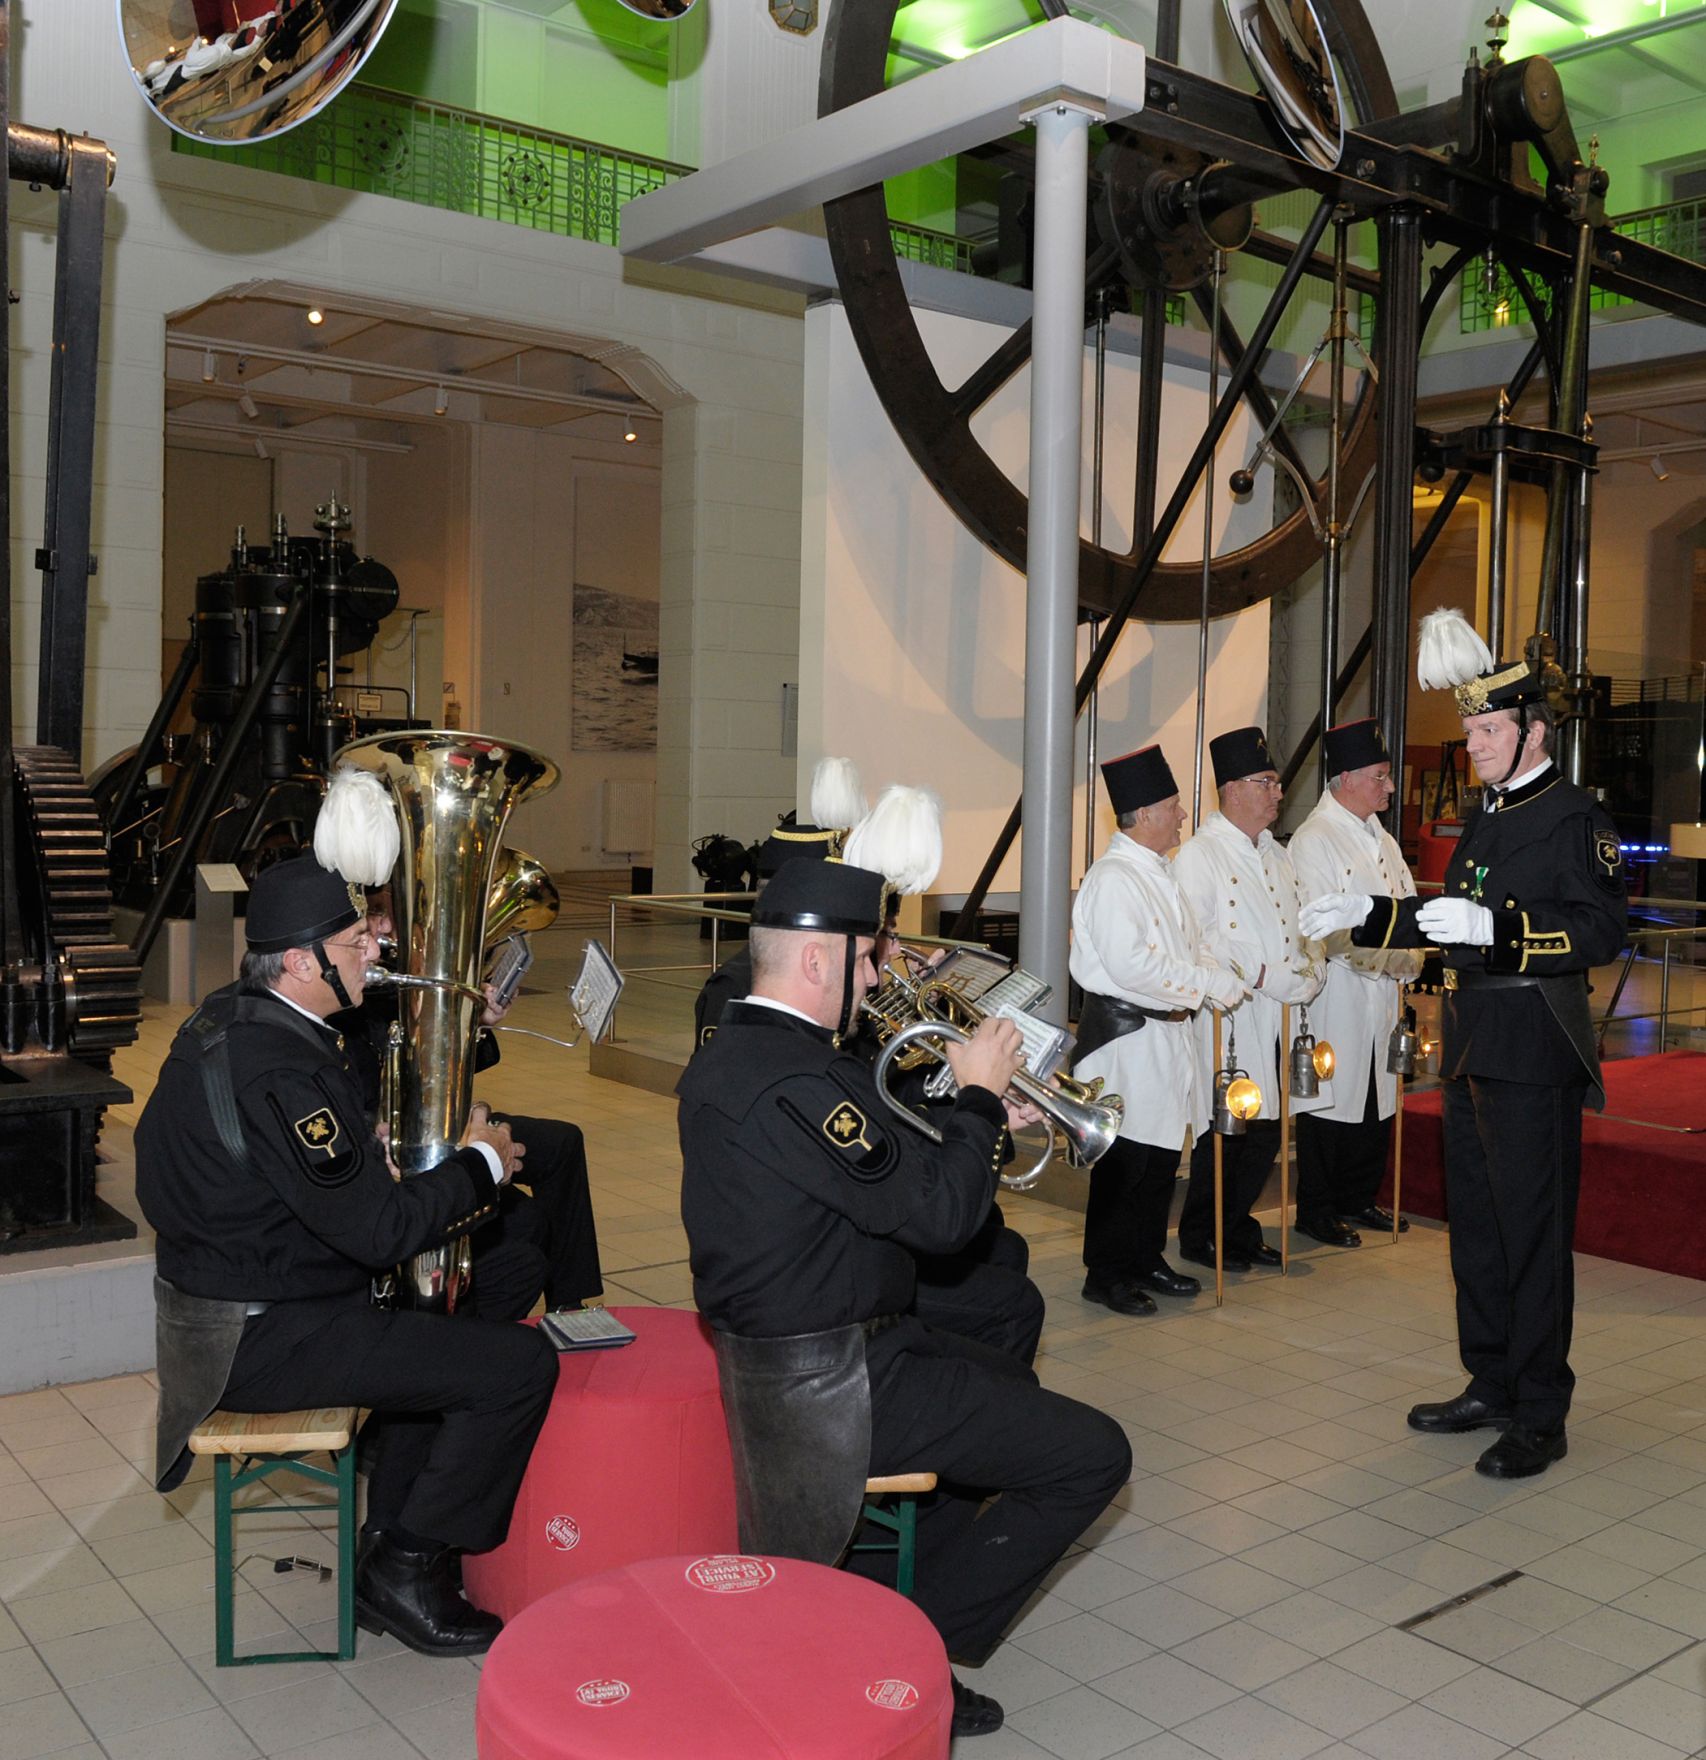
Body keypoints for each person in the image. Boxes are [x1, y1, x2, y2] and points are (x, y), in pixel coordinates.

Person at [679, 859, 1131, 1739]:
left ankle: (888, 1602)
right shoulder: (796, 1083)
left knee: (1012, 1382)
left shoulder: (757, 1055)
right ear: (816, 962)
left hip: (837, 1343)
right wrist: (976, 1099)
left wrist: (987, 1113)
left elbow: (877, 1159)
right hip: (834, 1379)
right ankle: (915, 1642)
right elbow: (943, 1221)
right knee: (1093, 1455)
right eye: (866, 963)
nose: (880, 980)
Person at [138, 854, 559, 1655]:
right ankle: (404, 1567)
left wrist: (376, 1158)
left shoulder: (241, 1021)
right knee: (517, 1368)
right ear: (301, 963)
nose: (373, 953)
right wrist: (485, 1165)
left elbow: (291, 1179)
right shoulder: (283, 1069)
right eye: (355, 941)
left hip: (260, 1290)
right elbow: (380, 1235)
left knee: (476, 1288)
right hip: (260, 1334)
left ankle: (396, 1522)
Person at [1300, 612, 1627, 1479]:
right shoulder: (1488, 816)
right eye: (1471, 730)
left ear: (1533, 732)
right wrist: (1370, 913)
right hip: (1475, 1039)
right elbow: (1452, 918)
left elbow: (1600, 930)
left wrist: (1504, 927)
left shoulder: (1573, 817)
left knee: (1532, 1230)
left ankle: (1539, 1407)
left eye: (1488, 730)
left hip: (1534, 1041)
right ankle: (1489, 1377)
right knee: (1477, 1230)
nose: (1473, 745)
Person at [337, 886, 603, 1317]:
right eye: (375, 917)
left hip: (430, 1110)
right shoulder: (354, 985)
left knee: (562, 1142)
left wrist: (475, 1020)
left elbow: (438, 1063)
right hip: (398, 1130)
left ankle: (570, 1304)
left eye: (389, 916)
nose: (384, 931)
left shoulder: (399, 969)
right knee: (525, 1219)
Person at [1070, 745, 1247, 1313]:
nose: (1181, 817)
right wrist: (1206, 983)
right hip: (1126, 1039)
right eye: (1174, 807)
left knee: (1162, 1156)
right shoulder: (1114, 878)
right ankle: (1106, 1272)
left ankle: (1145, 1256)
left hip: (1165, 1034)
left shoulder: (1159, 873)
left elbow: (1188, 947)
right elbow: (1131, 967)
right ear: (1144, 814)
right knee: (1127, 1162)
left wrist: (1218, 972)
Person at [1172, 726, 1328, 1268]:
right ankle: (1203, 1233)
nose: (1278, 793)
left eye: (1276, 783)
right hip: (1231, 1016)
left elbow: (1303, 924)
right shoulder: (1200, 855)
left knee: (1264, 1133)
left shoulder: (1276, 855)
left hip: (1278, 1015)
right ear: (1233, 789)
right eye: (1267, 782)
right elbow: (1198, 938)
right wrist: (1262, 974)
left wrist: (1313, 968)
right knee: (1227, 1131)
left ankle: (1238, 1227)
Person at [1288, 719, 1425, 1240]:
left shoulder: (1382, 839)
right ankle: (1317, 1210)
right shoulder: (1315, 839)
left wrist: (1410, 958)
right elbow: (1323, 924)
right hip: (1339, 992)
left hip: (1383, 996)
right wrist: (1389, 960)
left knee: (1377, 1099)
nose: (1390, 786)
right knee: (1330, 1101)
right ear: (1345, 778)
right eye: (1381, 776)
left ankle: (1359, 1196)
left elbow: (1407, 908)